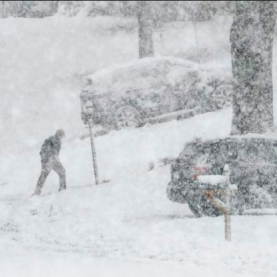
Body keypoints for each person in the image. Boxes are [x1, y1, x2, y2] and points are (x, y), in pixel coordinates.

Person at [33, 129, 66, 196]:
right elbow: (55, 153)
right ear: (60, 135)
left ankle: (37, 192)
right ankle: (63, 188)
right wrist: (54, 159)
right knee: (62, 171)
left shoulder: (49, 139)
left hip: (44, 160)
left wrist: (44, 159)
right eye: (62, 136)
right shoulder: (57, 141)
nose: (62, 138)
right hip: (51, 160)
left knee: (43, 176)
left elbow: (42, 151)